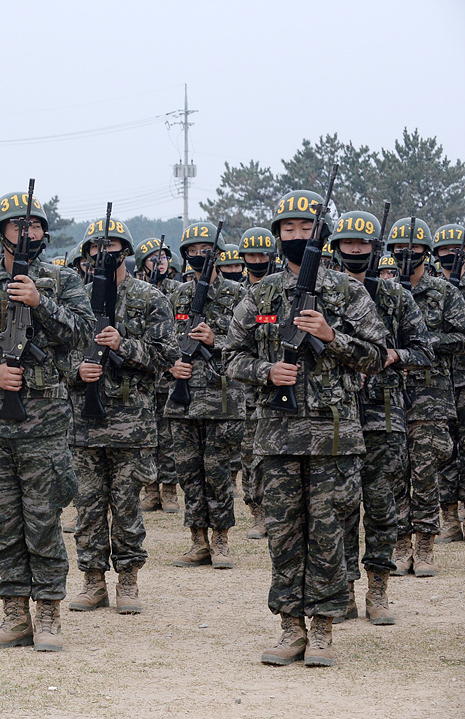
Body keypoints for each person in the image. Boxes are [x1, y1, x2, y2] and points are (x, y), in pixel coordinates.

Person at [222, 187, 388, 667]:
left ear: (322, 234)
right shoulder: (261, 294)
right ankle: (290, 628)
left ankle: (322, 631)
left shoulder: (348, 291)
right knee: (284, 534)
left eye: (305, 228)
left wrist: (331, 336)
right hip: (276, 436)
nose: (297, 235)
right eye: (288, 228)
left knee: (329, 533)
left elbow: (377, 356)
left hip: (333, 438)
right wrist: (266, 371)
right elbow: (231, 356)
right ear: (278, 235)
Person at [0, 188, 93, 652]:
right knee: (3, 522)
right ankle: (14, 613)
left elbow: (85, 335)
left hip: (44, 426)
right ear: (0, 233)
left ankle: (48, 614)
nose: (29, 233)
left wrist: (41, 302)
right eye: (18, 226)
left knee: (43, 520)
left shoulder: (62, 283)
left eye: (36, 226)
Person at [67, 216, 177, 614]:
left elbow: (167, 356)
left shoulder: (150, 298)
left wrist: (124, 346)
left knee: (127, 506)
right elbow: (53, 357)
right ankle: (92, 580)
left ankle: (127, 580)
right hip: (84, 423)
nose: (103, 253)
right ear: (86, 254)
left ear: (125, 253)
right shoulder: (73, 300)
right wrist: (76, 371)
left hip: (131, 424)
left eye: (111, 247)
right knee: (88, 507)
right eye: (96, 247)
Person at [332, 210, 431, 625]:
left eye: (363, 244)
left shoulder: (395, 296)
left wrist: (393, 355)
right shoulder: (326, 293)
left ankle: (378, 590)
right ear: (335, 248)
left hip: (383, 416)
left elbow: (423, 351)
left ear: (376, 248)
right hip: (335, 415)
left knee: (381, 507)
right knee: (337, 509)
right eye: (348, 244)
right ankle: (344, 592)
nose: (356, 250)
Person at [386, 217, 465, 577]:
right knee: (395, 473)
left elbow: (461, 337)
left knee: (426, 472)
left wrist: (423, 345)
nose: (406, 255)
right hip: (389, 395)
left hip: (430, 397)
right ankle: (401, 545)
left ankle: (426, 546)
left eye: (413, 249)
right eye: (399, 250)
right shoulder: (382, 293)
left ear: (426, 252)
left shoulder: (444, 292)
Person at [167, 224, 246, 570]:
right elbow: (162, 342)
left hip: (220, 400)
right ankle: (197, 539)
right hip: (183, 401)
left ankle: (221, 541)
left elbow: (249, 346)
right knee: (189, 473)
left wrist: (217, 342)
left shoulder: (238, 295)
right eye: (194, 250)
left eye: (206, 249)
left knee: (217, 474)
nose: (200, 255)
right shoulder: (176, 296)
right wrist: (172, 366)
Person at [133, 236, 182, 514]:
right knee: (146, 437)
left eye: (163, 257)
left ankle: (169, 489)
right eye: (153, 258)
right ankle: (149, 489)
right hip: (144, 375)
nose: (159, 263)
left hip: (170, 376)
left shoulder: (179, 291)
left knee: (168, 437)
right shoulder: (138, 293)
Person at [236, 226, 276, 538]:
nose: (258, 260)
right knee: (249, 453)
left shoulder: (280, 292)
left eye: (263, 254)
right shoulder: (236, 295)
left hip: (276, 388)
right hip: (244, 389)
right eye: (252, 255)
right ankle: (257, 513)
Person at [432, 222, 465, 543]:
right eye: (444, 251)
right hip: (440, 388)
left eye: (456, 251)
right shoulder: (430, 290)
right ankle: (450, 520)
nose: (451, 256)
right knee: (444, 453)